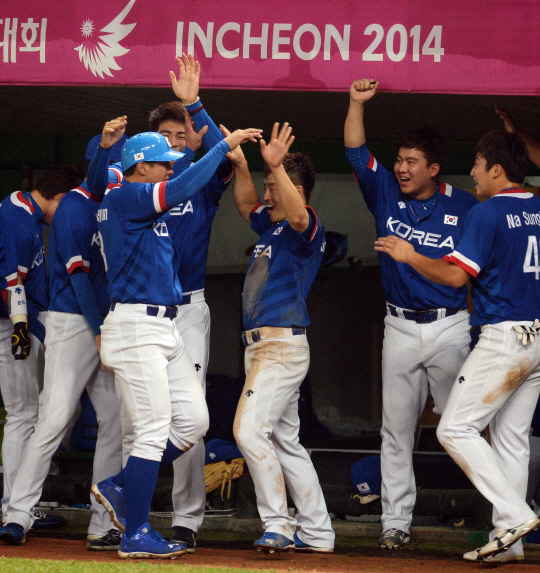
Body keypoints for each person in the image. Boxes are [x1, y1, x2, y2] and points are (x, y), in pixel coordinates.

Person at [90, 115, 261, 558]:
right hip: (135, 325)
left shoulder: (128, 195)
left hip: (164, 325)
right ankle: (136, 533)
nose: (170, 167)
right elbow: (181, 188)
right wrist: (223, 148)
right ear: (140, 166)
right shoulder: (128, 196)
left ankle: (123, 485)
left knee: (193, 422)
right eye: (162, 162)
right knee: (150, 432)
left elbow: (176, 187)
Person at [375, 130, 540, 562]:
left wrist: (409, 255)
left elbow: (454, 277)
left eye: (479, 164)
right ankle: (511, 540)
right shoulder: (539, 206)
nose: (473, 173)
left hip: (504, 337)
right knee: (511, 439)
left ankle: (515, 513)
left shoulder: (487, 212)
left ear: (497, 170)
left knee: (454, 428)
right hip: (538, 336)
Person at [344, 79, 478, 549]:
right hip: (398, 324)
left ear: (434, 168)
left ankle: (504, 512)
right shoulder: (385, 191)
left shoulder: (463, 204)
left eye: (411, 162)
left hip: (450, 325)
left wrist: (409, 255)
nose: (401, 168)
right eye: (399, 159)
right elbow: (356, 151)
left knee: (465, 424)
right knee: (395, 429)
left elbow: (461, 275)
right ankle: (395, 523)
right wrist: (356, 104)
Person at [0, 152, 125, 549]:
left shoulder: (107, 205)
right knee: (46, 418)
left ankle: (102, 521)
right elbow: (69, 276)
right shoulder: (69, 206)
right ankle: (16, 513)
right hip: (67, 322)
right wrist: (24, 322)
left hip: (88, 322)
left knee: (114, 421)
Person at [229, 122, 334, 554]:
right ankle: (318, 531)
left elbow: (296, 213)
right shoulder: (271, 227)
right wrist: (240, 165)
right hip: (264, 347)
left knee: (249, 432)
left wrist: (276, 171)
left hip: (280, 346)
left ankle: (278, 524)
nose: (267, 194)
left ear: (293, 186)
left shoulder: (303, 226)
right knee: (284, 441)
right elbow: (246, 205)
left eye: (274, 185)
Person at [0, 166, 82, 538]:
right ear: (60, 198)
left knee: (35, 413)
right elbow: (10, 282)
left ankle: (20, 507)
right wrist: (27, 327)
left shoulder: (24, 214)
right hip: (11, 325)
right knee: (22, 414)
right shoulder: (16, 218)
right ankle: (12, 509)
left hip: (23, 320)